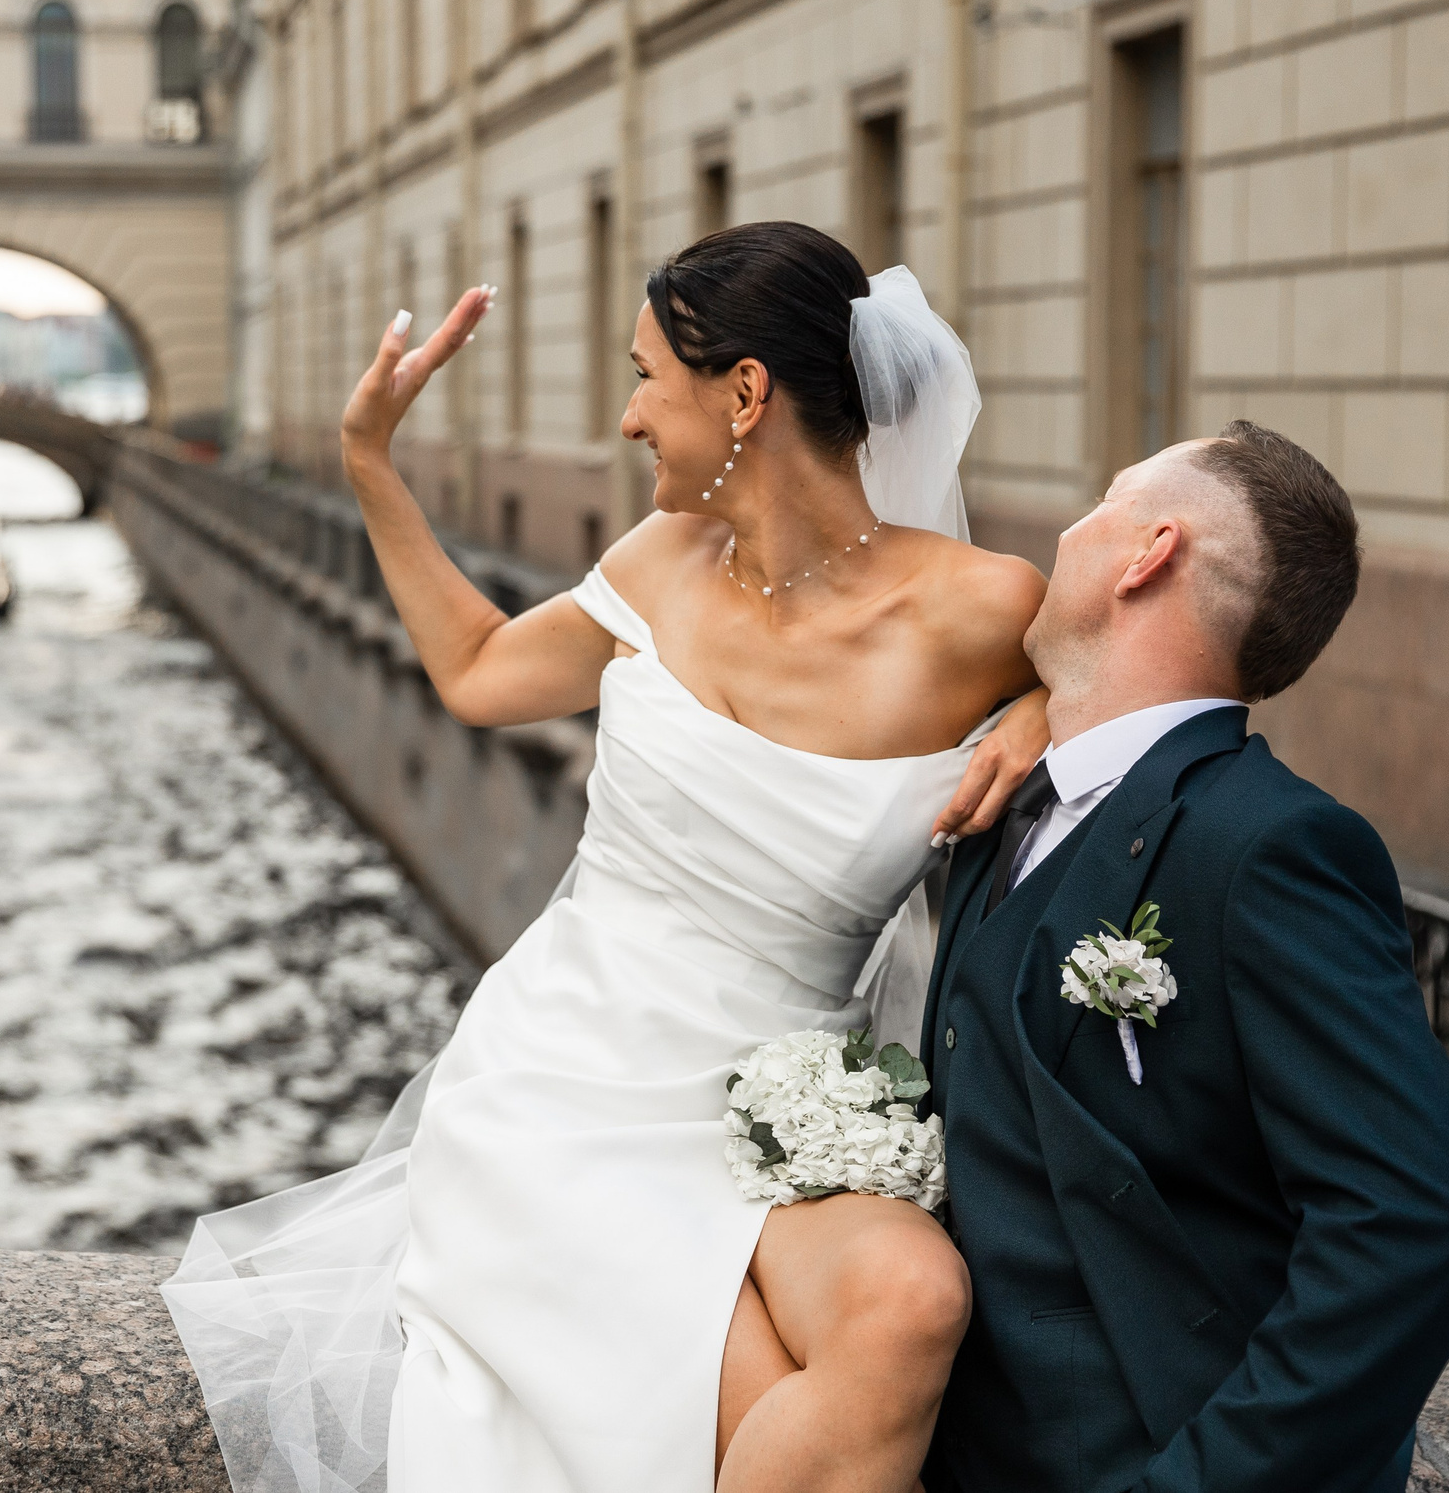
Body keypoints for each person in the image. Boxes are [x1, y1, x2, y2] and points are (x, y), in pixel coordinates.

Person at [164, 223, 1052, 1493]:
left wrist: (1044, 710)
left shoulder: (985, 611)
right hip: (564, 1083)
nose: (628, 417)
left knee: (913, 1299)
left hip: (782, 1100)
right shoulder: (655, 565)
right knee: (736, 1403)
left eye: (645, 375)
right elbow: (474, 671)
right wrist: (372, 464)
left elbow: (1166, 691)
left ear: (744, 392)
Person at [918, 424, 1449, 1493]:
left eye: (1103, 499)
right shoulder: (1011, 801)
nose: (1067, 527)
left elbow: (1416, 1222)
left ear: (1149, 551)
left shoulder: (1271, 846)